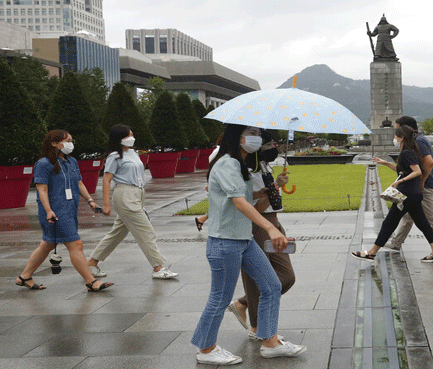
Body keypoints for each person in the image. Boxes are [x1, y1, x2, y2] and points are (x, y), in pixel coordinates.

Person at [192, 124, 305, 365]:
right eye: (251, 133)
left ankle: (270, 342)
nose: (257, 138)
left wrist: (268, 189)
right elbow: (240, 203)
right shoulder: (227, 163)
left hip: (243, 240)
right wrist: (270, 227)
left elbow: (245, 198)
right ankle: (206, 349)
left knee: (272, 285)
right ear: (237, 136)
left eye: (258, 134)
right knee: (220, 298)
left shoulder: (240, 164)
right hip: (225, 242)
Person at [16, 130, 113, 292]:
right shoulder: (43, 164)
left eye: (71, 140)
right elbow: (42, 190)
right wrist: (48, 210)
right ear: (54, 143)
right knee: (76, 244)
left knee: (47, 245)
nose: (70, 144)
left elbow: (79, 183)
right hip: (54, 211)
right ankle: (91, 281)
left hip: (69, 209)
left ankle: (25, 276)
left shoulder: (72, 161)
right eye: (67, 140)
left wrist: (90, 201)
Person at [226, 130, 296, 341]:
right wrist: (272, 189)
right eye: (268, 144)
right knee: (257, 279)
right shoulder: (243, 169)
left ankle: (243, 303)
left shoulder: (262, 165)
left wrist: (277, 185)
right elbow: (250, 206)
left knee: (286, 276)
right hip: (257, 226)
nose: (272, 148)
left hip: (272, 222)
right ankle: (258, 328)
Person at [86, 125, 178, 280]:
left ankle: (91, 263)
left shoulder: (133, 153)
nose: (132, 138)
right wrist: (106, 204)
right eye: (128, 135)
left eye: (132, 135)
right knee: (146, 231)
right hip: (124, 194)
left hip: (138, 193)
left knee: (117, 233)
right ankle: (158, 267)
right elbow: (107, 180)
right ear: (119, 138)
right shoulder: (114, 156)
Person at [352, 125, 433, 263]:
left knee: (389, 222)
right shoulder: (412, 151)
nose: (394, 138)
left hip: (406, 196)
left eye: (396, 136)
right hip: (413, 194)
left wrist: (399, 182)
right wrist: (385, 163)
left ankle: (371, 252)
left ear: (401, 138)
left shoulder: (406, 153)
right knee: (422, 223)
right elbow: (403, 170)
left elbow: (417, 171)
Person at [384, 116, 433, 254]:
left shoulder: (419, 141)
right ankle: (396, 243)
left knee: (431, 215)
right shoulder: (415, 140)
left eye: (398, 128)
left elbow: (429, 162)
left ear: (405, 128)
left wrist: (421, 181)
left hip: (423, 186)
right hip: (415, 186)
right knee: (407, 215)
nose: (397, 133)